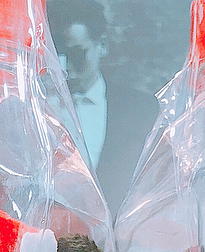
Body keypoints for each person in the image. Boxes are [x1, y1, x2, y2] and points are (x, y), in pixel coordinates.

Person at [49, 0, 160, 213]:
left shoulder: (142, 110)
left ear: (102, 45)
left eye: (77, 55)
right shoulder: (34, 107)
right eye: (56, 56)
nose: (65, 68)